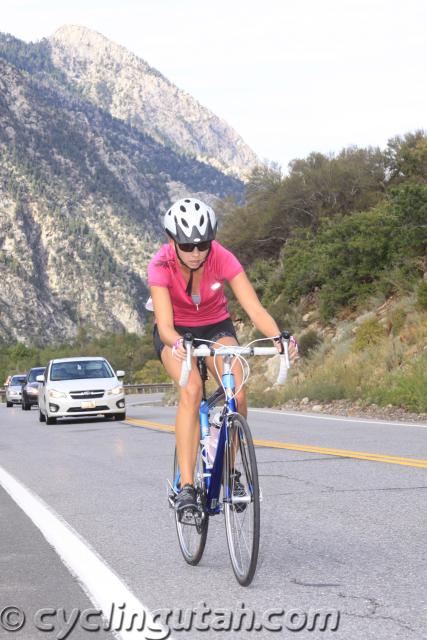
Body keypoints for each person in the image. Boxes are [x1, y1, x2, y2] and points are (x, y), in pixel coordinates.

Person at [148, 197, 298, 512]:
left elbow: (254, 308)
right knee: (192, 389)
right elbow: (164, 326)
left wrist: (278, 338)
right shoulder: (160, 265)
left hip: (216, 326)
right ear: (172, 241)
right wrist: (178, 343)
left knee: (237, 394)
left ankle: (229, 472)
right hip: (176, 332)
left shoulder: (222, 257)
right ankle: (187, 487)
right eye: (187, 246)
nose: (196, 252)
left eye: (203, 244)